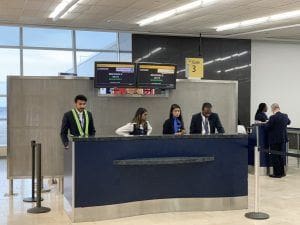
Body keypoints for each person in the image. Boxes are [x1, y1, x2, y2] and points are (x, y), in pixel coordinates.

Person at [266, 103, 290, 178]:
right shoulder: (285, 116)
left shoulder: (272, 117)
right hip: (283, 139)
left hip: (274, 140)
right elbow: (289, 122)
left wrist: (267, 123)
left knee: (275, 156)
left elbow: (268, 128)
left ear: (273, 109)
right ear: (279, 108)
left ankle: (277, 174)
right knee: (280, 156)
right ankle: (282, 173)